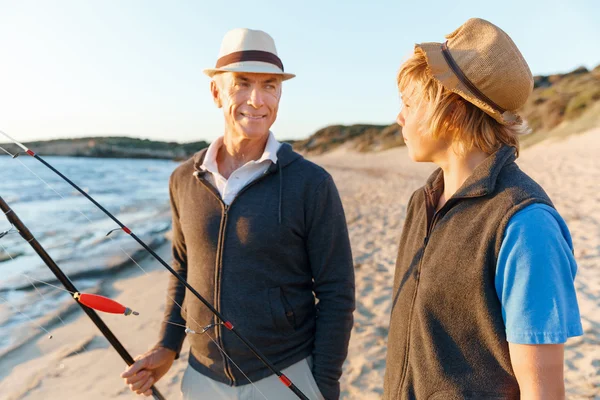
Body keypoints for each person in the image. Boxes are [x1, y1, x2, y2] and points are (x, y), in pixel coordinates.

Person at [121, 28, 355, 400]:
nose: (257, 100)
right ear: (216, 92)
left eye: (270, 86)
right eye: (241, 84)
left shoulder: (312, 183)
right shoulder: (184, 179)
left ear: (281, 93)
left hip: (287, 375)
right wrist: (168, 346)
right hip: (201, 379)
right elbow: (182, 269)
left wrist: (323, 385)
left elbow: (337, 292)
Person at [383, 18, 583, 399]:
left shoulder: (525, 225)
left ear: (453, 112)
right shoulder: (422, 202)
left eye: (409, 103)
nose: (399, 117)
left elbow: (543, 393)